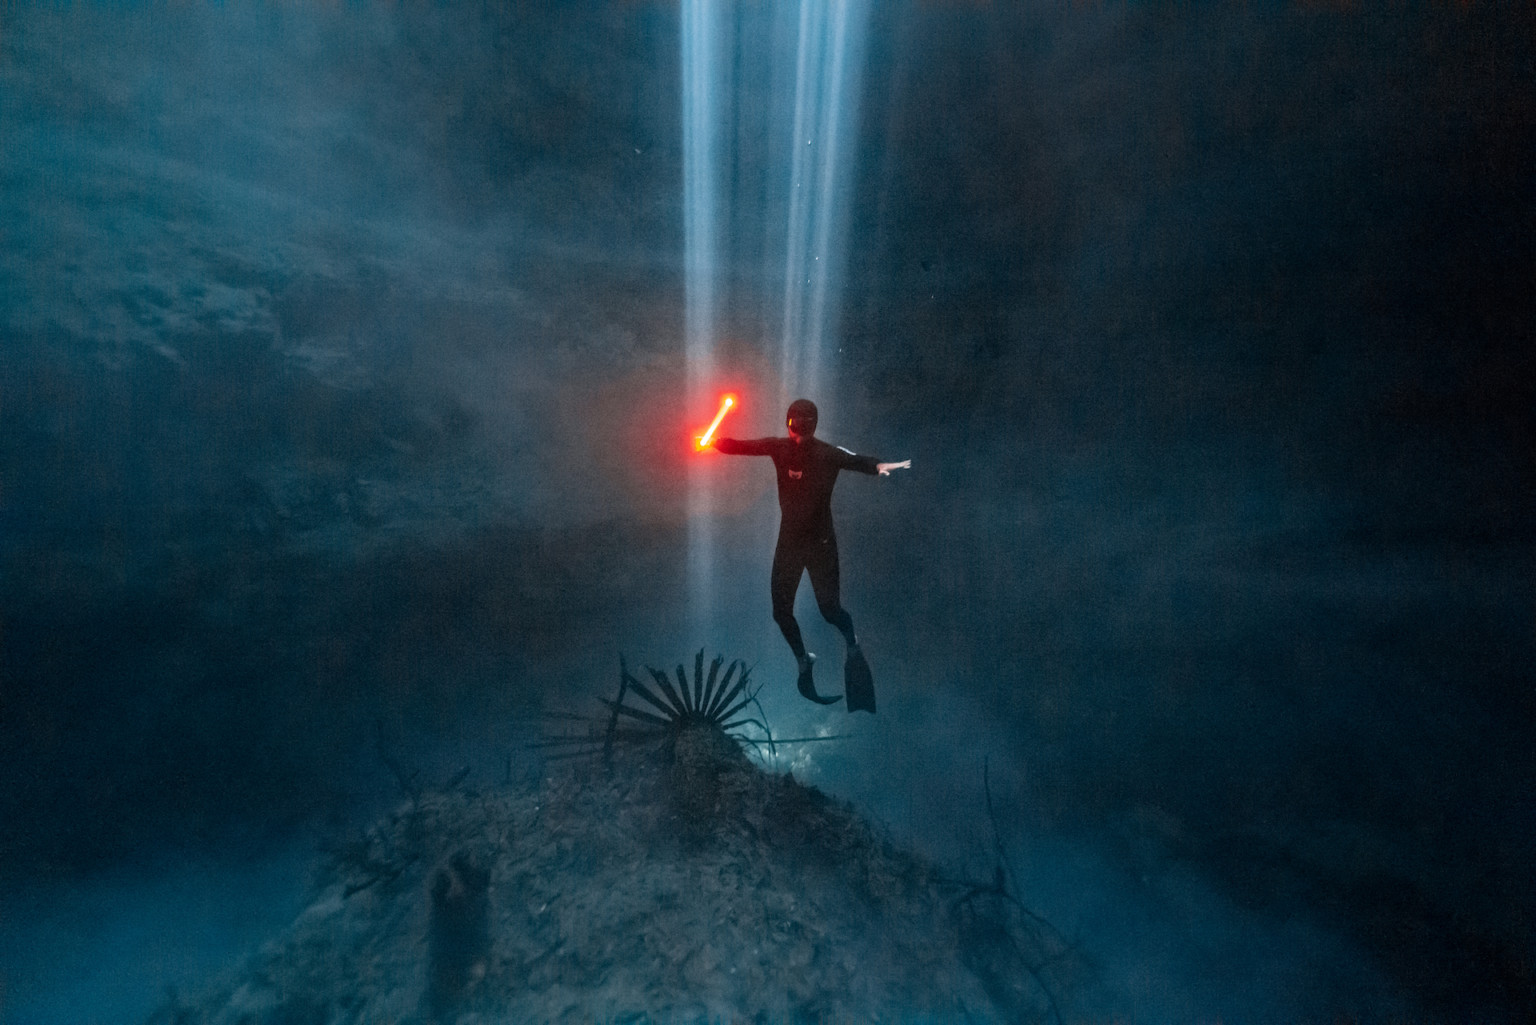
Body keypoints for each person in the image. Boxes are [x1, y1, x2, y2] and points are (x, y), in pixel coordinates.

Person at [711, 398, 909, 709]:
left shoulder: (827, 453)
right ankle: (804, 661)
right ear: (788, 424)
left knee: (830, 611)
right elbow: (744, 446)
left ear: (814, 426)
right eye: (796, 425)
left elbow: (855, 460)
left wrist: (878, 466)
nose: (800, 433)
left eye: (806, 426)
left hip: (821, 546)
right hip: (790, 544)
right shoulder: (779, 447)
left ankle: (852, 644)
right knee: (781, 613)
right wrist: (714, 442)